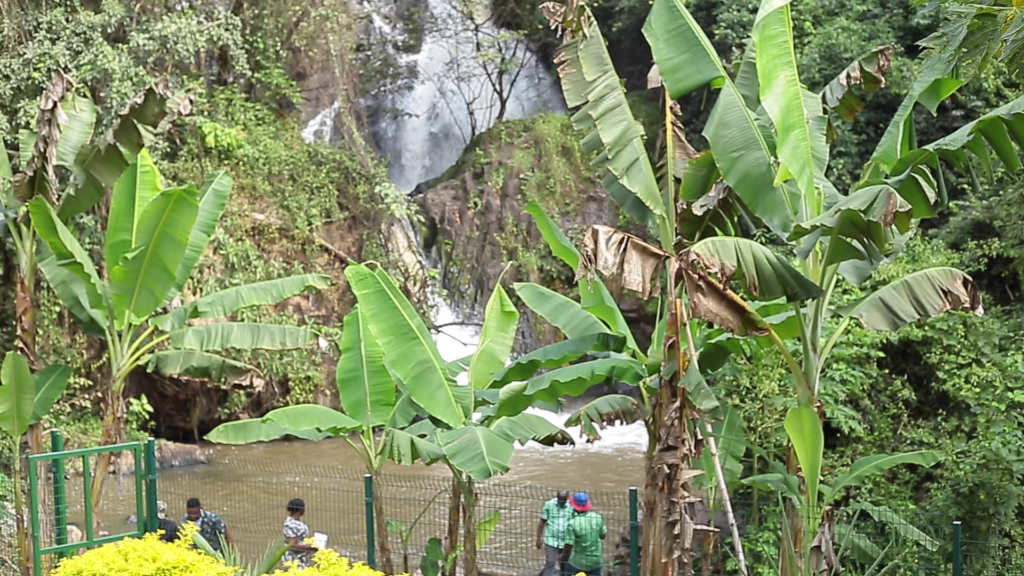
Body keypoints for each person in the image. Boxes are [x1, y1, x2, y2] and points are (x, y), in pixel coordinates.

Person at [560, 492, 607, 576]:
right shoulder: (597, 517)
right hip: (596, 560)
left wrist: (562, 558)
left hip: (578, 562)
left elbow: (568, 547)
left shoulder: (572, 523)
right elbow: (603, 536)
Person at [537, 489, 572, 576]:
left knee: (564, 564)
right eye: (560, 500)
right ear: (557, 498)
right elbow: (542, 521)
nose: (562, 502)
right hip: (551, 540)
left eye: (564, 501)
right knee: (550, 563)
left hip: (565, 541)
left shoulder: (571, 506)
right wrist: (539, 537)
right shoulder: (549, 505)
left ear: (567, 499)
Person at [283, 498, 317, 568]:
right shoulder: (290, 524)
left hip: (301, 557)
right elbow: (292, 545)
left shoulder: (295, 522)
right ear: (301, 509)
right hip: (294, 560)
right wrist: (310, 547)